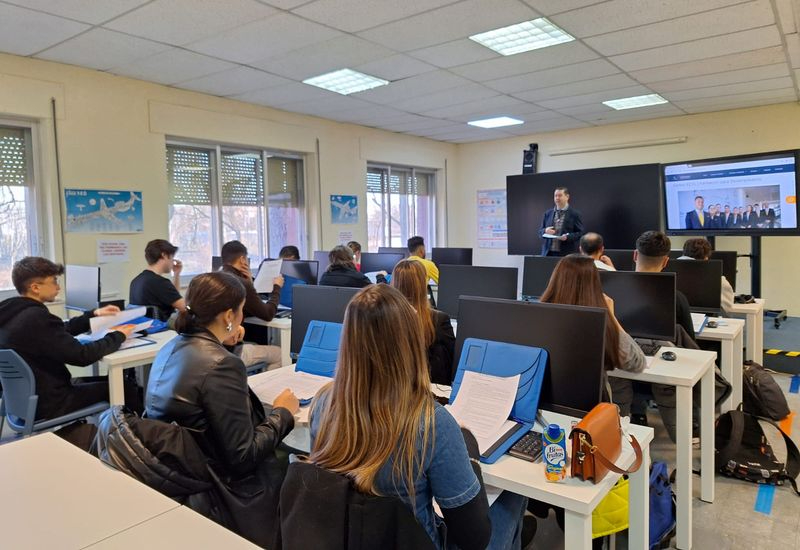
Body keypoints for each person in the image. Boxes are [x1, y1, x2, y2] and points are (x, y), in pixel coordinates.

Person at [309, 284, 529, 550]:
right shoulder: (431, 424)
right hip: (414, 541)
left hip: (352, 537)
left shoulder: (322, 403)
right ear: (410, 345)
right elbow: (475, 539)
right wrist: (468, 452)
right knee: (516, 494)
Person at [146, 271, 299, 545]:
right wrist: (282, 413)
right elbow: (243, 457)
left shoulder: (171, 347)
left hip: (184, 474)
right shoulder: (222, 365)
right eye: (240, 312)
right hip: (226, 490)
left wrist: (226, 342)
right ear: (228, 316)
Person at [0, 257, 136, 421]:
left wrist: (91, 315)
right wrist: (118, 335)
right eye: (54, 281)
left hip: (24, 401)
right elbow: (82, 355)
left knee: (110, 381)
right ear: (35, 287)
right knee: (125, 387)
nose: (58, 287)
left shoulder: (13, 314)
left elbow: (58, 331)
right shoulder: (36, 318)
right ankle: (139, 438)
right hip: (51, 403)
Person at [539, 255, 645, 414]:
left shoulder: (538, 317)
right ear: (594, 285)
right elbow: (636, 362)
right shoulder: (596, 325)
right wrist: (611, 317)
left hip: (544, 409)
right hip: (591, 413)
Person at [220, 240, 285, 369]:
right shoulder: (240, 284)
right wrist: (277, 288)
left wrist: (249, 282)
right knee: (280, 354)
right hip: (231, 351)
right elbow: (268, 314)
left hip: (215, 347)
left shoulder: (217, 278)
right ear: (242, 259)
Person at [391, 259, 456, 385]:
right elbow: (454, 360)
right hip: (428, 390)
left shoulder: (384, 319)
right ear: (422, 285)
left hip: (394, 389)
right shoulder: (438, 320)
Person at [129, 239, 184, 321]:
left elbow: (173, 297)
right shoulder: (160, 282)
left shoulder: (136, 281)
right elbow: (183, 307)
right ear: (164, 255)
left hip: (145, 330)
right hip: (162, 330)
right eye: (172, 257)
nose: (172, 262)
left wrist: (176, 274)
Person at [678, 238, 735, 314]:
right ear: (706, 257)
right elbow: (728, 308)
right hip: (707, 322)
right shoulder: (717, 279)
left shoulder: (668, 271)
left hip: (676, 322)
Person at [537, 187, 584, 256]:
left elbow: (580, 233)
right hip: (547, 253)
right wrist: (545, 231)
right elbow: (540, 232)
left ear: (567, 197)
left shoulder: (575, 214)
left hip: (565, 254)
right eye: (555, 196)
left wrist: (568, 237)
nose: (557, 198)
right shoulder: (548, 213)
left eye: (560, 195)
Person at [319, 245, 384, 288]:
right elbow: (380, 294)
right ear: (351, 259)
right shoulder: (357, 278)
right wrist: (380, 276)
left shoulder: (324, 277)